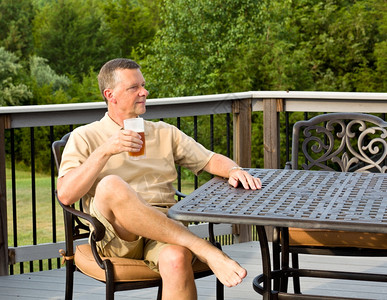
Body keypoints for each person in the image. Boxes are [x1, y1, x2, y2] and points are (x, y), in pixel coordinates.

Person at [57, 58, 262, 300]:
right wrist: (105, 151)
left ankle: (194, 247)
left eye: (143, 85)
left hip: (165, 229)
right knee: (111, 184)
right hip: (116, 235)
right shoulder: (85, 136)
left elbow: (209, 159)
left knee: (176, 258)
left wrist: (234, 169)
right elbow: (66, 194)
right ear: (110, 95)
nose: (144, 92)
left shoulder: (164, 132)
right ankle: (204, 248)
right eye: (134, 87)